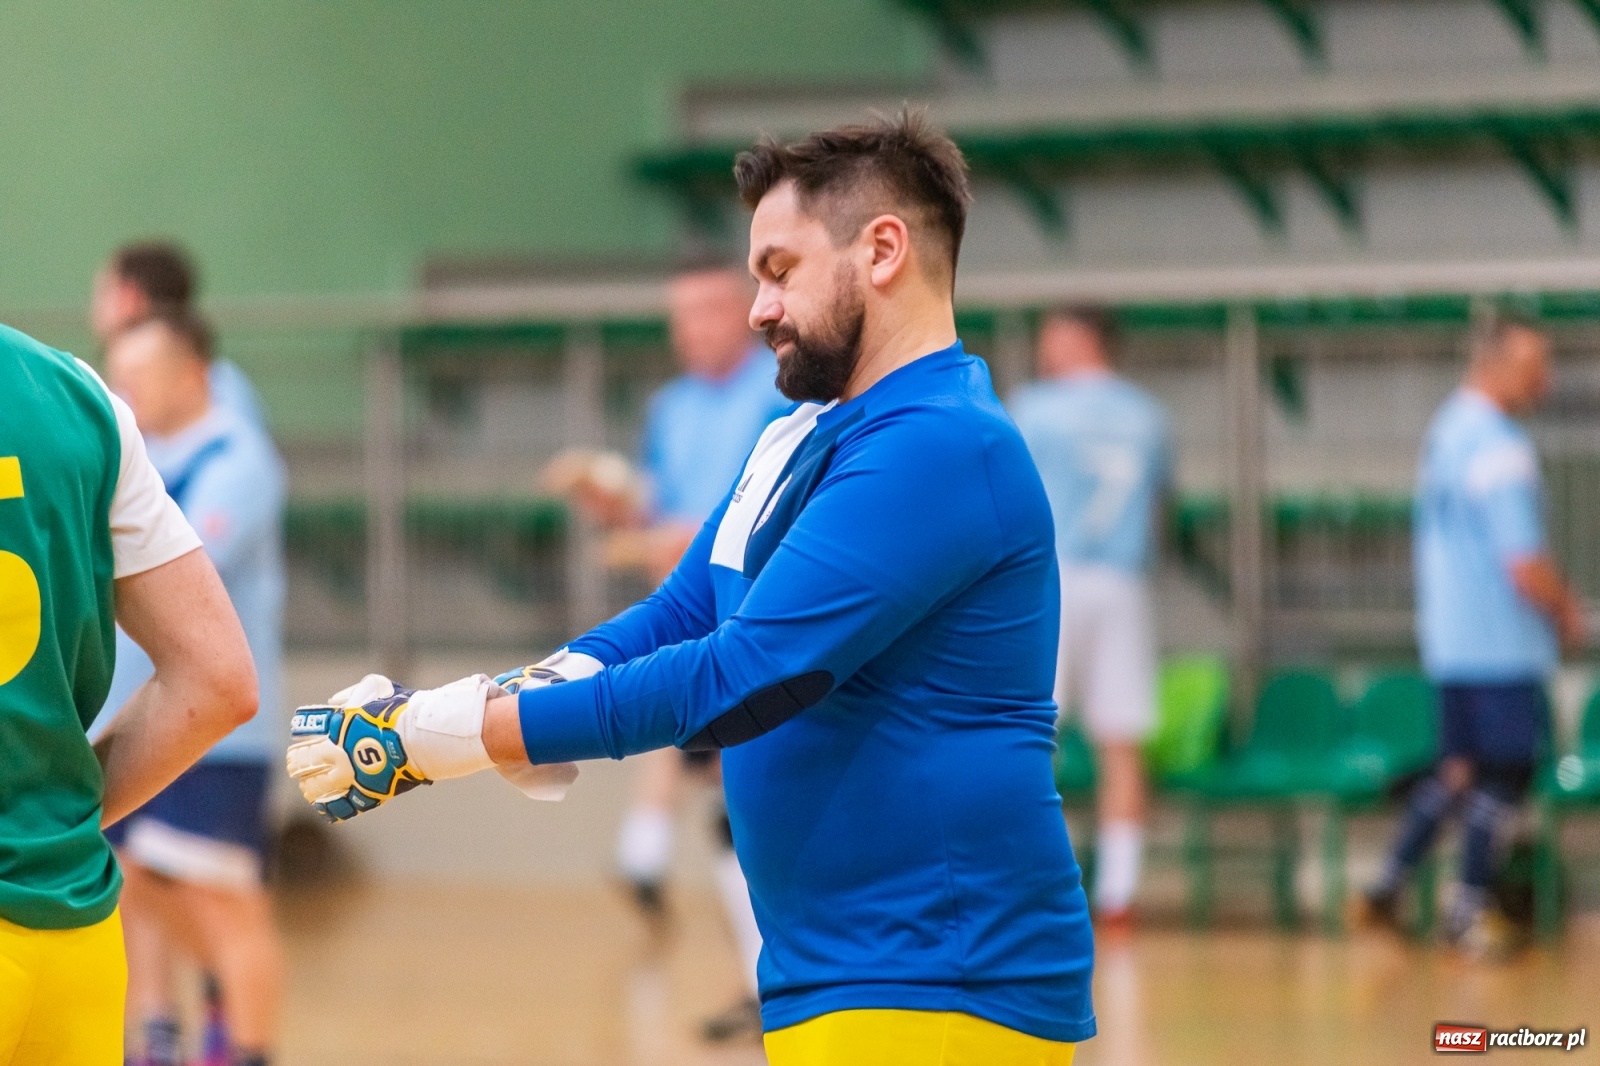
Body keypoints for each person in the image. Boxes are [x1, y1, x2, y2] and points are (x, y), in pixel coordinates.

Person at [288, 111, 1095, 1065]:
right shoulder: (799, 434)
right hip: (841, 969)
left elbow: (747, 674)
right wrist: (496, 698)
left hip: (941, 979)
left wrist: (438, 741)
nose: (759, 309)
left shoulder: (942, 443)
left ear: (884, 251)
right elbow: (683, 611)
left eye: (780, 271)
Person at [0, 321, 256, 1064]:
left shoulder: (235, 456)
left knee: (227, 908)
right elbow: (218, 679)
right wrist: (55, 819)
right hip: (71, 939)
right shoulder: (78, 398)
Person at [545, 262, 787, 1041]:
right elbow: (658, 508)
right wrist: (614, 503)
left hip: (762, 618)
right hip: (695, 615)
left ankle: (768, 974)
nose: (691, 331)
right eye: (679, 317)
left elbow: (769, 511)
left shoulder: (779, 394)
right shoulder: (671, 407)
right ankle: (765, 981)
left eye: (705, 312)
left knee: (742, 797)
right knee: (728, 800)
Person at [88, 310, 289, 1066]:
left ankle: (249, 1046)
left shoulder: (238, 458)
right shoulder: (134, 454)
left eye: (139, 376)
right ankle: (163, 1033)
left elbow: (183, 561)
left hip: (216, 732)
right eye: (116, 376)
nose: (124, 390)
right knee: (131, 880)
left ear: (193, 376)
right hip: (135, 717)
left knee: (223, 900)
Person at [1359, 315, 1585, 959]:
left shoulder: (1447, 430)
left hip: (1451, 641)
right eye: (1534, 367)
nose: (1545, 381)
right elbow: (1523, 561)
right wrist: (1566, 610)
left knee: (1457, 768)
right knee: (1506, 771)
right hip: (1499, 643)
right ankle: (1469, 908)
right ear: (1494, 365)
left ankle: (1388, 883)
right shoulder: (1499, 447)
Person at [1009, 307, 1172, 932]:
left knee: (1027, 733)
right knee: (1121, 741)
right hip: (1123, 581)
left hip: (1050, 581)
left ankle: (1025, 883)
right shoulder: (1149, 415)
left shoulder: (1035, 409)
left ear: (1081, 339)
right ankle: (1118, 894)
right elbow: (1159, 510)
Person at [91, 239, 267, 426]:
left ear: (129, 296)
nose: (94, 305)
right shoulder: (228, 382)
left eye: (103, 291)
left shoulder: (217, 392)